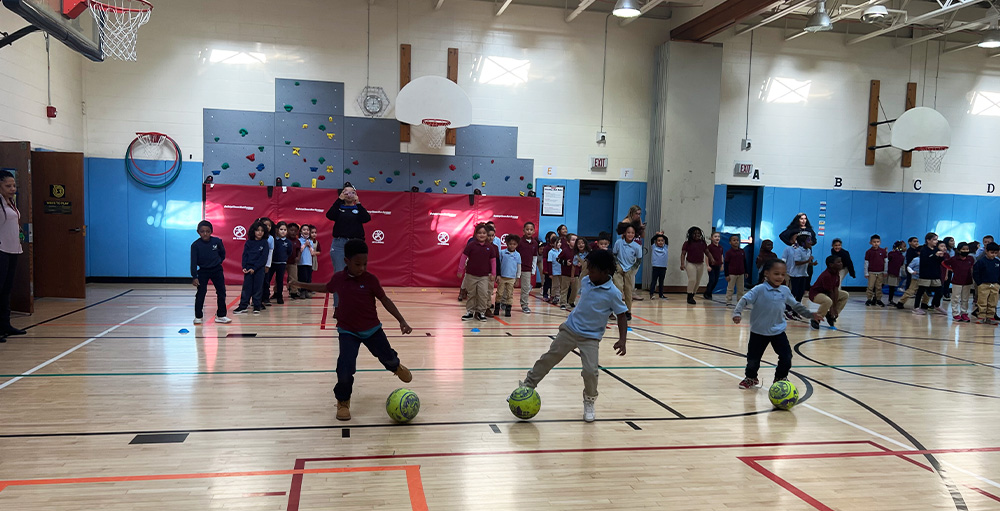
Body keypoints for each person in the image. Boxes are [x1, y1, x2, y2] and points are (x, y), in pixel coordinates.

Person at [289, 239, 412, 421]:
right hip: (348, 331)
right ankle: (343, 400)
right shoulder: (339, 279)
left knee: (388, 357)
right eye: (357, 264)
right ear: (346, 261)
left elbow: (385, 300)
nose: (362, 267)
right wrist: (299, 284)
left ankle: (395, 366)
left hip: (372, 330)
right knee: (345, 369)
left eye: (365, 264)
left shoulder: (371, 280)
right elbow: (325, 288)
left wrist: (401, 320)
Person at [519, 249, 628, 422]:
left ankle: (590, 400)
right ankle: (527, 386)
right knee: (548, 358)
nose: (588, 273)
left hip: (591, 337)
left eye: (592, 270)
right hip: (570, 330)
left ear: (605, 272)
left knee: (591, 371)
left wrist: (622, 340)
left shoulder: (613, 293)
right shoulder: (586, 281)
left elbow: (622, 316)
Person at [733, 259, 820, 389]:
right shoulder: (759, 289)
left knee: (786, 357)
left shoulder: (784, 290)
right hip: (758, 331)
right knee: (753, 359)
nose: (780, 277)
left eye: (782, 274)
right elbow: (744, 300)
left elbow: (796, 305)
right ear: (767, 273)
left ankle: (780, 378)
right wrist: (737, 313)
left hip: (778, 331)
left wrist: (810, 314)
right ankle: (751, 378)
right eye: (776, 273)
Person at [325, 184, 371, 308]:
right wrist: (338, 200)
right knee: (339, 274)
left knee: (358, 274)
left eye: (352, 193)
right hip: (339, 244)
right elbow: (329, 215)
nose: (349, 195)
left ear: (356, 194)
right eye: (346, 192)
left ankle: (356, 305)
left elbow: (366, 218)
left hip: (356, 244)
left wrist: (359, 203)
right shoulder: (338, 208)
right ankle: (338, 307)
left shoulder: (358, 209)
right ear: (341, 194)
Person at [190, 220, 231, 325]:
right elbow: (193, 262)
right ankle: (198, 316)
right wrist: (194, 276)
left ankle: (221, 315)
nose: (205, 234)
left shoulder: (217, 241)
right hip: (203, 271)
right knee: (201, 293)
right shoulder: (195, 245)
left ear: (211, 231)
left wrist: (218, 261)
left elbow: (223, 253)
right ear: (198, 232)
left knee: (221, 291)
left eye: (207, 231)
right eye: (202, 231)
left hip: (216, 270)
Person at [458, 223, 496, 322]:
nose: (482, 235)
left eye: (484, 233)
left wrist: (493, 273)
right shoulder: (471, 245)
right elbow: (463, 257)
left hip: (484, 276)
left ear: (487, 234)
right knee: (472, 294)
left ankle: (481, 312)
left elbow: (493, 261)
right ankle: (470, 312)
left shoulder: (490, 247)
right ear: (475, 234)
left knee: (483, 294)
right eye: (479, 233)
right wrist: (460, 270)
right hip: (471, 275)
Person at [0, 170, 21, 340]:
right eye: (8, 186)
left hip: (13, 249)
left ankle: (5, 325)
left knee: (6, 290)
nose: (12, 189)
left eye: (13, 185)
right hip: (1, 250)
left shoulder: (11, 203)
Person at [234, 221, 269, 314]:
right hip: (248, 268)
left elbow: (263, 258)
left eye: (262, 231)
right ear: (253, 231)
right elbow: (245, 255)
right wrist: (244, 267)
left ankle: (257, 306)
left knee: (258, 288)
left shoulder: (265, 243)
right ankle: (243, 306)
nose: (260, 232)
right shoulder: (249, 242)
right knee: (246, 288)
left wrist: (255, 268)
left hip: (259, 269)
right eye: (257, 230)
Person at [808, 255, 849, 329]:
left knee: (845, 295)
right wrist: (832, 308)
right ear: (831, 265)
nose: (841, 263)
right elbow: (830, 292)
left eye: (841, 262)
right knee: (828, 301)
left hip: (827, 293)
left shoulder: (836, 273)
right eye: (838, 262)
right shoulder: (827, 275)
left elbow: (835, 290)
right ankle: (816, 319)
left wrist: (835, 308)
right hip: (815, 294)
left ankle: (830, 316)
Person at [612, 225, 642, 321]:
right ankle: (616, 310)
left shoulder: (637, 246)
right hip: (619, 270)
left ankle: (628, 311)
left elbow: (639, 259)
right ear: (624, 233)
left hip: (629, 271)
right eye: (628, 232)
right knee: (618, 289)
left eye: (632, 233)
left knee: (628, 291)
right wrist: (617, 265)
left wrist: (632, 269)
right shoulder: (618, 243)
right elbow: (614, 255)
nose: (630, 234)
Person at [913, 234, 947, 315]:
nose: (936, 241)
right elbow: (926, 261)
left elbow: (939, 262)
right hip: (926, 274)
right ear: (928, 240)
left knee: (939, 290)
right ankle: (916, 307)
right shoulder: (924, 250)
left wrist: (941, 256)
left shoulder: (936, 249)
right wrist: (935, 256)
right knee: (921, 291)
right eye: (934, 239)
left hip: (935, 274)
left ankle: (936, 305)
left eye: (936, 239)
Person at [943, 242, 975, 322]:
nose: (965, 250)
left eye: (967, 249)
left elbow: (972, 266)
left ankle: (964, 313)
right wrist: (950, 269)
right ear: (959, 250)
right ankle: (955, 313)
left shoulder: (970, 258)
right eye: (963, 249)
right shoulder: (954, 259)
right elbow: (944, 263)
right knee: (955, 298)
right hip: (957, 281)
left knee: (965, 298)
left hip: (967, 281)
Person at [783, 234, 815, 313]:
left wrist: (811, 263)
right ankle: (788, 308)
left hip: (803, 274)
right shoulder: (798, 251)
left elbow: (806, 263)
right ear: (803, 243)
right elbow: (797, 262)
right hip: (795, 274)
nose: (811, 242)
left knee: (801, 293)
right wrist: (808, 261)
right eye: (809, 241)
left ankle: (796, 309)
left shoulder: (808, 250)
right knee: (794, 292)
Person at [681, 226, 710, 305]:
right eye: (695, 233)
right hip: (690, 263)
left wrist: (712, 259)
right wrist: (682, 264)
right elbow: (683, 254)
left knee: (697, 281)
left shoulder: (702, 243)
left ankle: (693, 294)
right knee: (692, 279)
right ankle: (689, 295)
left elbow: (707, 252)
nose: (697, 235)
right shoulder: (687, 243)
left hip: (700, 264)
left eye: (698, 233)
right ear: (690, 234)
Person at [495, 234, 521, 317]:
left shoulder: (518, 255)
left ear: (517, 245)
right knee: (499, 293)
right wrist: (497, 275)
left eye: (514, 244)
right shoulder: (502, 253)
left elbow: (518, 267)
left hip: (511, 278)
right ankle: (496, 309)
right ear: (506, 244)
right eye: (510, 244)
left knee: (510, 294)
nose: (512, 246)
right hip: (502, 277)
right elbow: (498, 264)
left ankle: (508, 310)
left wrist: (518, 278)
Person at [974, 243, 1000, 325]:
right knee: (982, 301)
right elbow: (976, 273)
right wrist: (979, 283)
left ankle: (990, 316)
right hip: (984, 285)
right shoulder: (981, 262)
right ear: (986, 251)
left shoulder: (997, 262)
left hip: (995, 285)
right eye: (992, 252)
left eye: (996, 253)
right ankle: (981, 316)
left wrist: (998, 283)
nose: (994, 255)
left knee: (993, 301)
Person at [516, 222, 539, 314]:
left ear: (534, 231)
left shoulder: (535, 243)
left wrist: (533, 269)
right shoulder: (519, 242)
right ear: (523, 230)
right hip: (516, 268)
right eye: (527, 229)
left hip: (527, 269)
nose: (529, 231)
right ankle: (505, 302)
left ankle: (524, 305)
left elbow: (534, 257)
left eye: (531, 229)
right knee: (509, 286)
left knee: (525, 288)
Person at [266, 222, 291, 304]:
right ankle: (265, 296)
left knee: (279, 280)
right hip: (272, 263)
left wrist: (284, 259)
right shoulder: (273, 240)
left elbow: (289, 252)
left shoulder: (288, 242)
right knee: (267, 280)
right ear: (277, 230)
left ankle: (279, 296)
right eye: (281, 229)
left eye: (285, 230)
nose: (283, 231)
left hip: (282, 264)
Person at [724, 234, 748, 307]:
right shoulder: (729, 252)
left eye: (737, 240)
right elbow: (726, 264)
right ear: (730, 242)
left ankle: (740, 301)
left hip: (741, 273)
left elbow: (744, 262)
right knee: (730, 288)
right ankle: (728, 301)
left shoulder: (742, 251)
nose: (736, 242)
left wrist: (746, 272)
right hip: (732, 273)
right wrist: (726, 274)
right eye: (734, 240)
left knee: (741, 289)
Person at [864, 234, 888, 307]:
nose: (876, 243)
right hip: (871, 272)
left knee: (879, 287)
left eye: (877, 242)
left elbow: (886, 261)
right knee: (870, 286)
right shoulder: (868, 252)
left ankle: (878, 299)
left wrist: (885, 271)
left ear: (880, 242)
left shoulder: (883, 251)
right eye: (874, 242)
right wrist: (866, 273)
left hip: (880, 272)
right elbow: (866, 263)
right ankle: (869, 299)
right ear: (870, 243)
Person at [558, 233, 578, 309]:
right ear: (568, 242)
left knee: (575, 289)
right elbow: (558, 259)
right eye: (573, 240)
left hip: (575, 274)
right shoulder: (565, 250)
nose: (575, 242)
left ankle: (571, 301)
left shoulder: (578, 251)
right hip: (566, 274)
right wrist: (565, 262)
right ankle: (563, 303)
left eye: (576, 240)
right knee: (564, 289)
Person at [704, 232, 724, 301]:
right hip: (711, 266)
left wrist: (722, 265)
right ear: (712, 238)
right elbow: (706, 257)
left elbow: (721, 256)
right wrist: (707, 266)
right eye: (715, 236)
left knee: (716, 281)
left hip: (718, 266)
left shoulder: (720, 247)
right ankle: (707, 293)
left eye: (718, 236)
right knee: (712, 280)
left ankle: (709, 292)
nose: (717, 238)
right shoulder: (710, 247)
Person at [259, 217, 274, 307]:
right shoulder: (256, 237)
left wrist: (268, 265)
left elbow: (271, 252)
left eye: (269, 225)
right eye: (265, 225)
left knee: (265, 282)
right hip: (257, 264)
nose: (267, 227)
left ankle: (266, 298)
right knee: (257, 283)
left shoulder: (271, 238)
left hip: (265, 265)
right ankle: (256, 299)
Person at [298, 224, 316, 299]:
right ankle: (302, 291)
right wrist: (305, 244)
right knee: (303, 278)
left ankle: (306, 292)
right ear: (301, 231)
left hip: (309, 262)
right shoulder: (299, 240)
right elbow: (300, 250)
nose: (306, 231)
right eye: (304, 230)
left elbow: (312, 253)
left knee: (308, 278)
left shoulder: (311, 241)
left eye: (307, 230)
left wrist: (309, 246)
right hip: (302, 262)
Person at [886, 241, 906, 306]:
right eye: (904, 246)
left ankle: (889, 300)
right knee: (890, 287)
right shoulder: (893, 254)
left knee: (891, 287)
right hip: (890, 273)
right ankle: (889, 300)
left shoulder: (901, 256)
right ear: (899, 247)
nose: (905, 248)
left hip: (894, 274)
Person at [649, 233, 668, 300]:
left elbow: (666, 239)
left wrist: (662, 234)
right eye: (658, 240)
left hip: (663, 267)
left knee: (661, 281)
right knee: (654, 281)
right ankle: (651, 294)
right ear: (656, 242)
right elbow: (652, 239)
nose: (660, 242)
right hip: (656, 267)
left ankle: (661, 294)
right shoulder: (654, 247)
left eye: (662, 240)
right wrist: (657, 235)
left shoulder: (665, 247)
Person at [286, 223, 302, 299]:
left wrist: (298, 257)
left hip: (293, 262)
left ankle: (294, 292)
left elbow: (299, 250)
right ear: (287, 230)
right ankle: (277, 292)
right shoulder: (284, 240)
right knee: (278, 278)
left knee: (293, 277)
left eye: (295, 231)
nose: (293, 232)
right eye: (291, 230)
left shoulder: (297, 241)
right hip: (283, 262)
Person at [547, 237, 563, 307]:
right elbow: (549, 263)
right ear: (553, 244)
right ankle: (554, 296)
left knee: (560, 285)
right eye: (557, 242)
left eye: (560, 242)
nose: (559, 244)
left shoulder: (561, 251)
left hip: (561, 271)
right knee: (555, 285)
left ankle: (557, 296)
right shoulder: (551, 252)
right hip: (555, 271)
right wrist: (550, 273)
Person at [540, 232, 556, 302]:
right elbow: (544, 259)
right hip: (548, 268)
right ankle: (545, 294)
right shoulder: (547, 248)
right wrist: (546, 269)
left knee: (554, 283)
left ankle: (553, 295)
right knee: (547, 282)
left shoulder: (558, 248)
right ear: (548, 239)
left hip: (555, 268)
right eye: (552, 237)